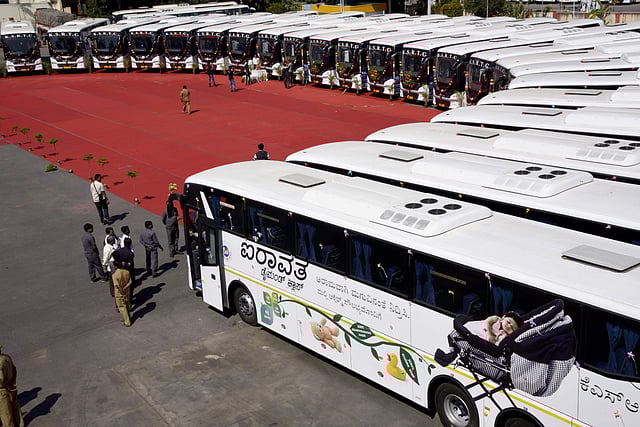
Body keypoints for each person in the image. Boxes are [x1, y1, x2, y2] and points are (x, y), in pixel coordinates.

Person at [0, 344, 25, 427]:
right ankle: (19, 424)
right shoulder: (7, 358)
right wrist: (12, 382)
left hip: (2, 391)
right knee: (14, 408)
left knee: (6, 415)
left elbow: (0, 380)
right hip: (10, 387)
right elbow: (14, 370)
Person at [111, 252, 132, 327]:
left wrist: (122, 290)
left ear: (116, 266)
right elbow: (130, 281)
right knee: (127, 305)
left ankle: (127, 321)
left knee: (122, 307)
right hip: (127, 291)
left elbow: (116, 285)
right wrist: (126, 287)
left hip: (119, 293)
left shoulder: (115, 275)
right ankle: (128, 317)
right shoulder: (127, 272)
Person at [115, 237, 135, 307]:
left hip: (120, 271)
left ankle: (122, 301)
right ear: (130, 244)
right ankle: (129, 302)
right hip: (128, 272)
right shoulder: (130, 253)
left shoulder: (119, 251)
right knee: (129, 288)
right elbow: (130, 264)